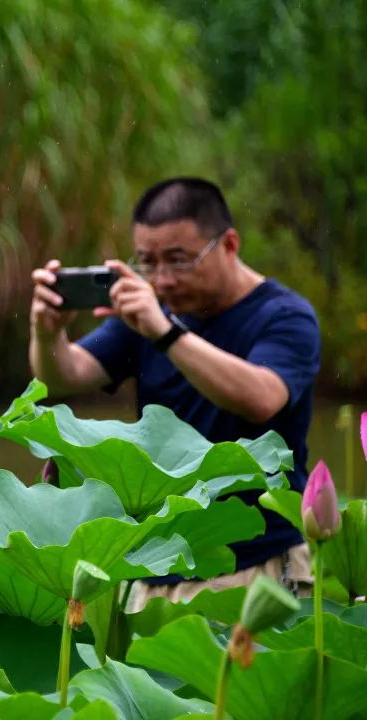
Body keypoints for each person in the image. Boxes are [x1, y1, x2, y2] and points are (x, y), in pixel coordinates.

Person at [28, 177, 321, 609]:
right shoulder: (150, 316)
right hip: (154, 570)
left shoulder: (285, 316)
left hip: (258, 567)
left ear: (229, 244)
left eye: (178, 260)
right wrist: (46, 333)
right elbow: (65, 374)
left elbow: (262, 397)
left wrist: (164, 333)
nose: (162, 280)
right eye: (147, 262)